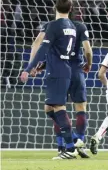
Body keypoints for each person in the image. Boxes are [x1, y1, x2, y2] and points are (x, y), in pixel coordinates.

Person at [20, 0, 79, 159]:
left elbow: (43, 49)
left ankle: (70, 149)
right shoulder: (72, 26)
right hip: (63, 69)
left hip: (57, 72)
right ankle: (72, 138)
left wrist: (28, 68)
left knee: (59, 108)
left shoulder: (53, 25)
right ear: (71, 9)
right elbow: (61, 51)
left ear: (55, 7)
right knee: (49, 108)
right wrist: (43, 66)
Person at [29, 18, 93, 158]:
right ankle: (79, 142)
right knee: (81, 108)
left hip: (59, 70)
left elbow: (38, 44)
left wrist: (33, 65)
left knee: (55, 109)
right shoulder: (80, 26)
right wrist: (89, 63)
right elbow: (88, 49)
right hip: (76, 70)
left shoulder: (52, 25)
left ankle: (62, 146)